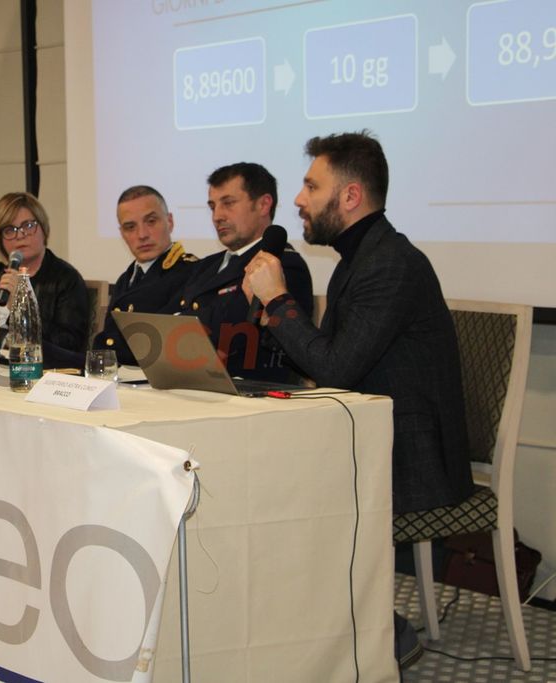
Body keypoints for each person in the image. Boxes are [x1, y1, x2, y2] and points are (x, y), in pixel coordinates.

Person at [244, 130, 474, 668]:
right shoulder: (358, 259)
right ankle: (315, 627)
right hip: (369, 438)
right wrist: (271, 316)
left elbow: (336, 368)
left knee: (283, 492)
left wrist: (279, 301)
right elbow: (323, 360)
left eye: (311, 186)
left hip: (411, 456)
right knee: (266, 477)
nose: (298, 199)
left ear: (350, 196)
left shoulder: (391, 264)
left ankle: (379, 633)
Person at [169, 162, 312, 381]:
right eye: (212, 206)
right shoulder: (206, 265)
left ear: (263, 205)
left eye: (228, 203)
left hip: (251, 391)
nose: (217, 216)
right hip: (197, 382)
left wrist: (179, 324)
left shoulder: (282, 264)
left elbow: (233, 328)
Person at [93, 185, 197, 365]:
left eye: (151, 221)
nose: (142, 235)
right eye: (130, 227)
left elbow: (161, 349)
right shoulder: (126, 279)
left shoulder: (191, 273)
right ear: (122, 234)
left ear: (170, 222)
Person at [0, 192, 91, 367]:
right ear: (0, 240)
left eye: (28, 226)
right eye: (9, 230)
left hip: (41, 372)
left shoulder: (66, 279)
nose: (20, 235)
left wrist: (21, 309)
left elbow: (69, 344)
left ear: (43, 229)